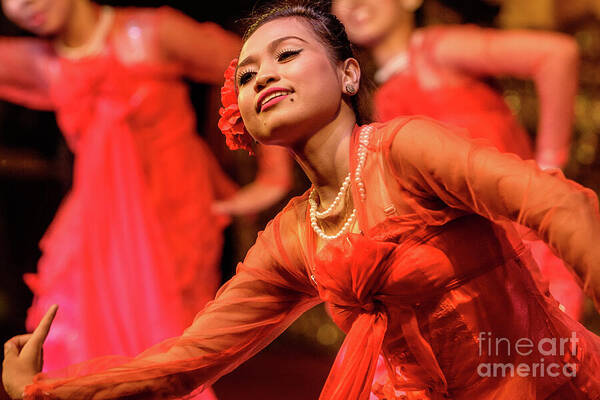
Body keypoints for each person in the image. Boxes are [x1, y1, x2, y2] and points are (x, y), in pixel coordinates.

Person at [3, 2, 600, 399]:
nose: (261, 77)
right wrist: (46, 390)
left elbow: (557, 204)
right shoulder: (294, 235)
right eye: (246, 74)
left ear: (347, 76)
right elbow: (190, 358)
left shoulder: (405, 150)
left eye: (286, 55)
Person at [0, 0, 292, 392]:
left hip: (172, 224)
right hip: (95, 231)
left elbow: (256, 68)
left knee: (167, 351)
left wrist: (273, 175)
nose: (23, 4)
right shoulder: (41, 62)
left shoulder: (153, 33)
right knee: (71, 340)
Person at [332, 0, 584, 319]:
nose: (352, 3)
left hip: (529, 246)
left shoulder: (436, 49)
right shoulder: (379, 98)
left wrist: (550, 162)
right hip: (471, 272)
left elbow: (556, 54)